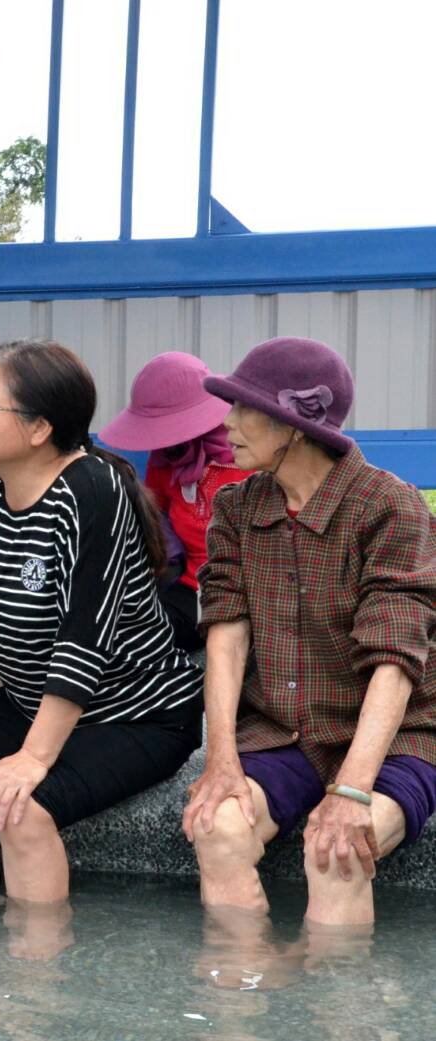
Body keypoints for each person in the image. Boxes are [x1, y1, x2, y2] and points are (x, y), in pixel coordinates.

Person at [0, 339, 202, 904]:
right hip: (29, 703)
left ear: (39, 428)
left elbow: (84, 640)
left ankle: (36, 982)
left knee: (22, 808)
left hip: (135, 715)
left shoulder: (93, 489)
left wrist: (35, 759)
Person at [182, 337, 436, 926]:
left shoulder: (389, 507)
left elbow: (394, 662)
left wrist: (350, 792)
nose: (229, 423)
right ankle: (242, 1006)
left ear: (293, 425)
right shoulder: (238, 508)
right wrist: (221, 759)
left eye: (245, 409)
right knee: (216, 828)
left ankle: (332, 1014)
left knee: (337, 850)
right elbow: (225, 633)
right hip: (285, 731)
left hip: (401, 735)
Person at [100, 352, 251, 650]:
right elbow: (156, 521)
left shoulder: (250, 459)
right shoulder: (166, 459)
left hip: (250, 599)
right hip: (192, 589)